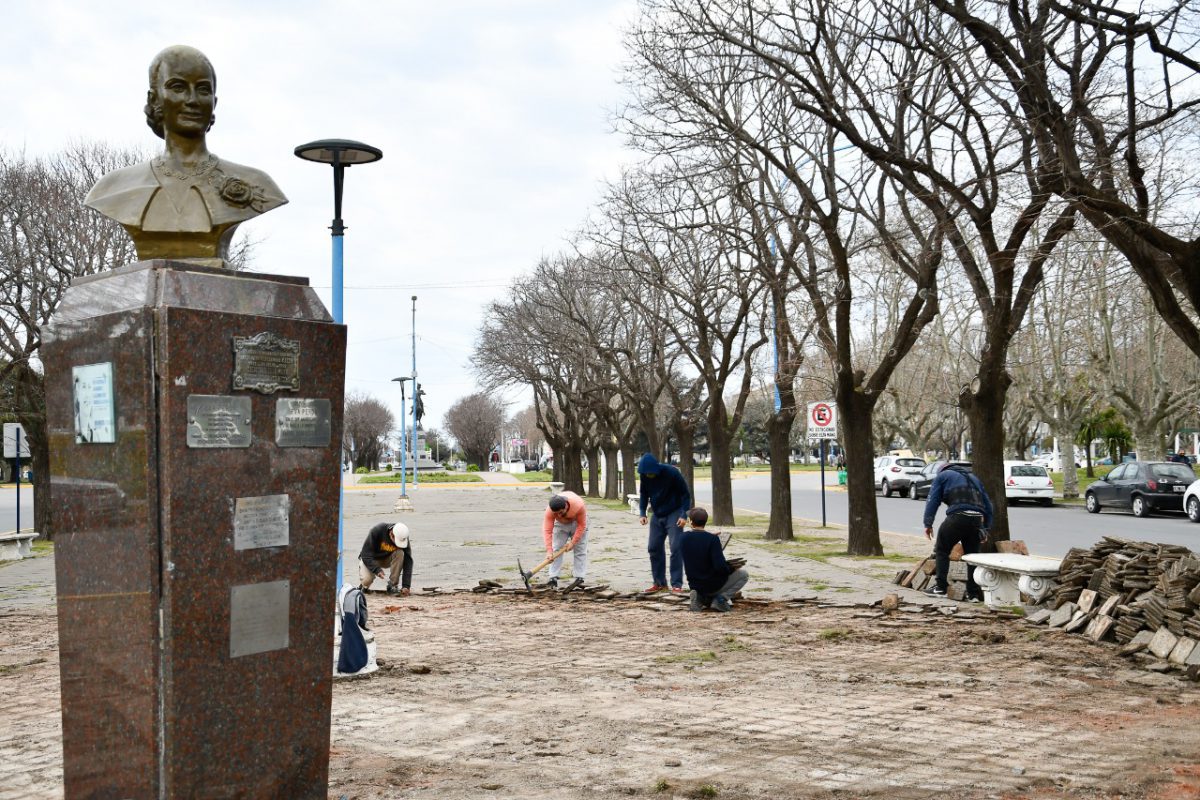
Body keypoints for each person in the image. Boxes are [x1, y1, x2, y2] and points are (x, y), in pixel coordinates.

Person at [84, 45, 286, 264]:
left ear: (214, 102)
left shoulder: (258, 183)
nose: (192, 100)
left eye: (203, 90)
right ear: (154, 99)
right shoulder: (112, 187)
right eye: (178, 87)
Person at [922, 462, 993, 600]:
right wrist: (985, 528)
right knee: (972, 556)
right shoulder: (974, 478)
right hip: (976, 520)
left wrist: (928, 523)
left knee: (942, 549)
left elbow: (932, 500)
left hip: (958, 516)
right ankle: (973, 595)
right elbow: (988, 505)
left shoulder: (942, 476)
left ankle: (940, 588)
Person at [637, 452, 693, 593]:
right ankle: (659, 583)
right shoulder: (644, 476)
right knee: (653, 547)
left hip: (674, 512)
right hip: (657, 514)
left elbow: (685, 494)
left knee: (676, 547)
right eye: (646, 473)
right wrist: (642, 513)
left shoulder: (671, 472)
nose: (649, 475)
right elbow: (644, 494)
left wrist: (683, 515)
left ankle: (676, 584)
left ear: (656, 469)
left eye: (651, 473)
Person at [679, 508, 748, 612]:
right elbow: (720, 567)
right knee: (743, 574)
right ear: (705, 522)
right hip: (712, 585)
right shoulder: (713, 540)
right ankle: (720, 600)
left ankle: (699, 597)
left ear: (691, 522)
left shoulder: (683, 538)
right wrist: (731, 568)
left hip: (694, 585)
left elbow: (696, 540)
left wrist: (708, 536)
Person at [542, 491, 589, 589]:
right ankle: (553, 578)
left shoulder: (579, 505)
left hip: (577, 522)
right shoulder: (549, 511)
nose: (558, 515)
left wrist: (573, 542)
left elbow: (582, 525)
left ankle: (579, 578)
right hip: (560, 525)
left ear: (566, 507)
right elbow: (547, 530)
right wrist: (549, 551)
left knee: (580, 550)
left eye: (560, 512)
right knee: (556, 549)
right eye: (556, 514)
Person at [359, 522, 414, 596]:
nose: (399, 545)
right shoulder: (377, 531)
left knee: (400, 552)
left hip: (388, 559)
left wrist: (406, 586)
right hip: (371, 559)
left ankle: (392, 586)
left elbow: (408, 561)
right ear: (391, 535)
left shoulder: (403, 536)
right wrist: (376, 570)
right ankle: (364, 586)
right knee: (366, 580)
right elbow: (365, 555)